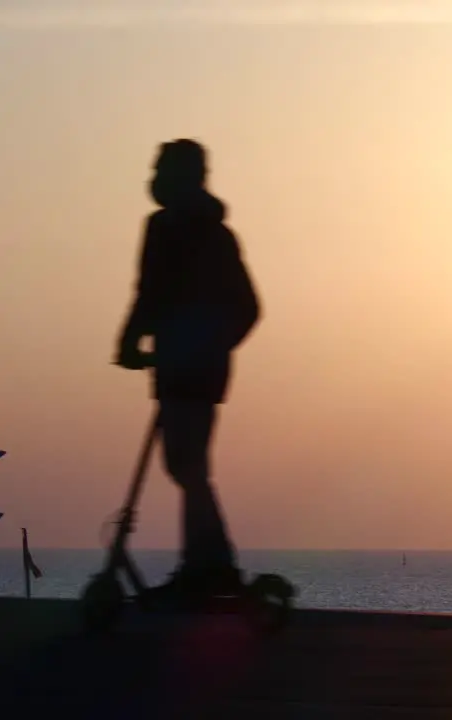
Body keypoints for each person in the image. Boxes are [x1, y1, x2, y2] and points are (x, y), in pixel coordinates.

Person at [115, 139, 260, 604]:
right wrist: (140, 341)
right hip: (186, 364)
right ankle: (208, 562)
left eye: (162, 169)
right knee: (186, 463)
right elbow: (152, 293)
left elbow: (243, 306)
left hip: (193, 367)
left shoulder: (193, 233)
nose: (155, 177)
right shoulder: (183, 229)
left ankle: (211, 565)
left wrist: (200, 343)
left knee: (186, 462)